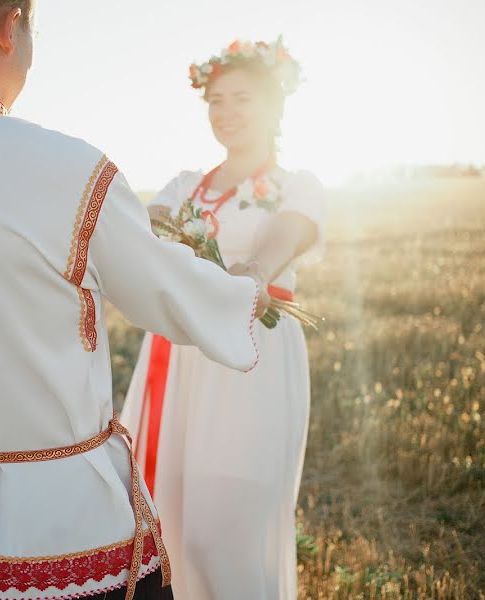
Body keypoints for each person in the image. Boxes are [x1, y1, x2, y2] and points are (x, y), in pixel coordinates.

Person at [0, 3, 271, 599]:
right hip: (67, 530)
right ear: (8, 24)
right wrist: (246, 294)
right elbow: (163, 290)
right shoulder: (68, 167)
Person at [120, 37, 325, 599]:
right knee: (171, 526)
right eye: (216, 101)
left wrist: (252, 273)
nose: (226, 112)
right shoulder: (186, 185)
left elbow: (290, 232)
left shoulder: (297, 185)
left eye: (242, 99)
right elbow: (140, 232)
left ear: (274, 105)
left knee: (225, 531)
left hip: (251, 358)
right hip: (181, 356)